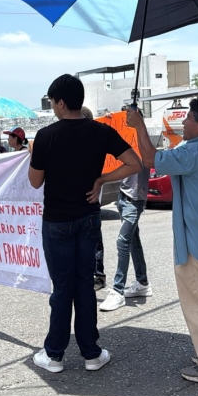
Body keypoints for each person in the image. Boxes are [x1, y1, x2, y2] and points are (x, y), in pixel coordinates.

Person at [29, 74, 142, 374]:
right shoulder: (99, 132)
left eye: (52, 102)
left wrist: (35, 156)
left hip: (57, 221)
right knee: (84, 286)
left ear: (61, 102)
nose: (52, 107)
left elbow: (35, 181)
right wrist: (102, 179)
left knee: (62, 288)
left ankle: (54, 354)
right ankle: (91, 353)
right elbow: (135, 163)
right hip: (89, 217)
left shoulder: (46, 136)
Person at [127, 96, 198, 383]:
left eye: (189, 117)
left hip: (195, 243)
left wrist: (139, 124)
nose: (184, 122)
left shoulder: (195, 152)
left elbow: (151, 160)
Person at [99, 108, 153, 312]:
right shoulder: (124, 137)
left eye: (128, 116)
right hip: (124, 196)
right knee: (133, 242)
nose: (125, 119)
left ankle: (118, 290)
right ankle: (142, 282)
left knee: (123, 242)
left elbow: (146, 160)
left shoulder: (142, 138)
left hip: (135, 199)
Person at [81, 106, 109, 291]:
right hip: (77, 202)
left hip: (92, 201)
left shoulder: (95, 141)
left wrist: (101, 181)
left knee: (95, 241)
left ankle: (98, 275)